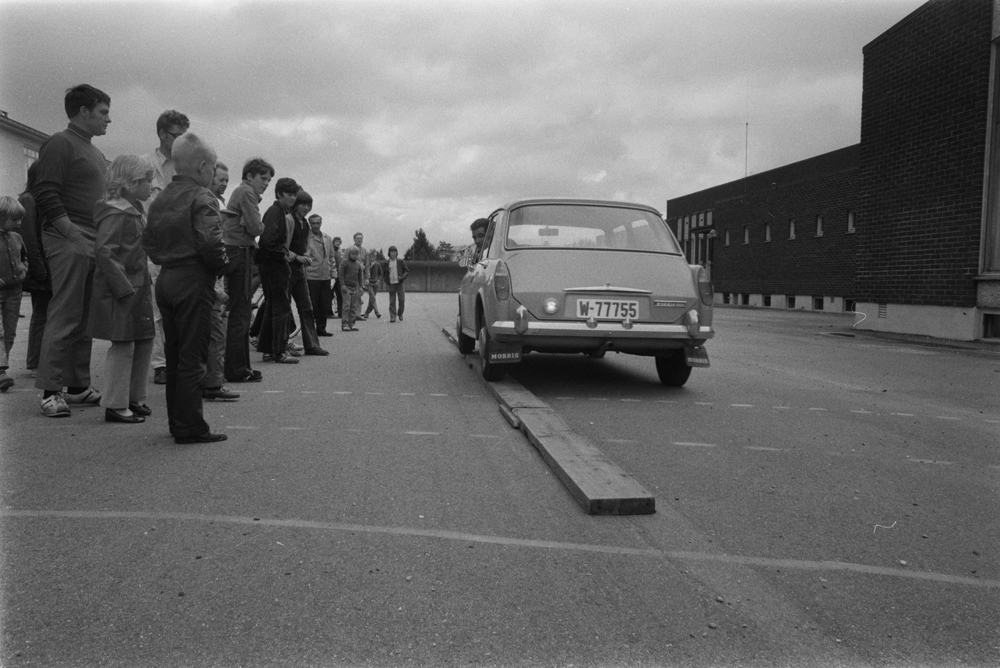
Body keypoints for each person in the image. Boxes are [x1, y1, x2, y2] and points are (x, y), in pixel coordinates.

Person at [142, 132, 230, 444]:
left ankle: (177, 421)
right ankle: (191, 426)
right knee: (194, 357)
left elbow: (148, 240)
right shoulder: (203, 197)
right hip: (193, 279)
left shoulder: (161, 197)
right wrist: (222, 266)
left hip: (166, 278)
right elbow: (210, 241)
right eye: (214, 167)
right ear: (203, 166)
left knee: (175, 354)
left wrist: (166, 257)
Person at [32, 84, 111, 418]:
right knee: (64, 312)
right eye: (103, 112)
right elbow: (45, 192)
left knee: (84, 316)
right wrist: (71, 234)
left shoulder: (93, 151)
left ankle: (77, 386)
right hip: (68, 238)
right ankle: (51, 391)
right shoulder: (59, 143)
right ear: (83, 112)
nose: (109, 119)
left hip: (92, 238)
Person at [87, 155, 155, 423]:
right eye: (147, 181)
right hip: (124, 289)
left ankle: (133, 397)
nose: (151, 186)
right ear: (131, 183)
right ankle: (116, 403)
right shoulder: (116, 212)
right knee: (124, 344)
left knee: (143, 340)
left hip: (135, 286)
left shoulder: (132, 209)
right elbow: (105, 251)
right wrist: (123, 287)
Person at [142, 110, 190, 386]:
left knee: (180, 306)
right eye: (176, 136)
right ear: (162, 134)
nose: (181, 142)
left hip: (180, 246)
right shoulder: (144, 164)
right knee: (156, 307)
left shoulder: (186, 166)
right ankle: (161, 364)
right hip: (151, 247)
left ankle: (180, 358)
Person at [223, 157, 272, 383]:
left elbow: (251, 226)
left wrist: (251, 225)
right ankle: (237, 369)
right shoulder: (247, 193)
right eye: (263, 178)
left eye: (269, 181)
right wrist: (256, 225)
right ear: (249, 176)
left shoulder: (242, 192)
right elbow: (256, 227)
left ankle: (241, 367)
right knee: (241, 313)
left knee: (240, 311)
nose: (266, 183)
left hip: (238, 251)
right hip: (240, 252)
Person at [254, 177, 299, 364]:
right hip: (274, 266)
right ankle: (279, 351)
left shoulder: (279, 211)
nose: (293, 198)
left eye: (295, 194)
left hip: (271, 265)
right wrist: (283, 256)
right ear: (280, 194)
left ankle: (267, 350)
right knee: (281, 308)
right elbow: (266, 241)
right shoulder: (275, 212)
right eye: (289, 194)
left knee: (272, 306)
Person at [204, 162, 239, 401]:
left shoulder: (218, 202)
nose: (224, 183)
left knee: (218, 331)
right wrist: (216, 289)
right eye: (220, 179)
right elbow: (208, 248)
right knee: (216, 333)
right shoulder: (206, 203)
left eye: (227, 180)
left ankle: (214, 379)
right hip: (209, 282)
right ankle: (213, 383)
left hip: (217, 278)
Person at [17, 163, 50, 376]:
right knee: (41, 314)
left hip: (43, 265)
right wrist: (39, 269)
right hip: (40, 267)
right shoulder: (28, 200)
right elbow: (29, 239)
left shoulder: (35, 200)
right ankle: (35, 362)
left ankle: (39, 361)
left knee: (45, 313)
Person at [286, 190, 327, 356]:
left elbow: (304, 248)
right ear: (295, 204)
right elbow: (283, 248)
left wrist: (304, 257)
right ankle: (280, 345)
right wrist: (298, 258)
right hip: (287, 269)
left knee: (307, 307)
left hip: (299, 271)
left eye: (309, 205)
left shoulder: (305, 224)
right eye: (303, 204)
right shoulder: (289, 221)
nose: (306, 207)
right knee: (282, 308)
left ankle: (311, 345)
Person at [0, 196, 27, 392]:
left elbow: (24, 257)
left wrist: (23, 269)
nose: (19, 223)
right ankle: (1, 372)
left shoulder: (17, 238)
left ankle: (2, 368)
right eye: (15, 219)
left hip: (15, 292)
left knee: (10, 332)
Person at [305, 213, 336, 336]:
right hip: (312, 275)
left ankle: (321, 328)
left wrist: (333, 274)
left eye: (318, 223)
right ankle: (311, 329)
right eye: (313, 223)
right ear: (310, 224)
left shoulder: (327, 238)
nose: (316, 225)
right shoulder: (306, 237)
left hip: (325, 275)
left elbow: (331, 257)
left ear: (321, 223)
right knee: (313, 303)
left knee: (325, 303)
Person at [339, 246, 363, 332]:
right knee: (346, 306)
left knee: (353, 307)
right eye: (352, 254)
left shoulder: (358, 265)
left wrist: (360, 287)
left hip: (354, 288)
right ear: (349, 254)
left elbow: (360, 276)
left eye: (356, 254)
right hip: (346, 288)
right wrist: (342, 285)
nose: (354, 255)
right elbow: (341, 275)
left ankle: (352, 323)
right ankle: (344, 324)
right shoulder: (344, 263)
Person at [383, 245, 408, 323]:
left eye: (394, 252)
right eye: (391, 252)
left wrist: (402, 277)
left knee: (402, 300)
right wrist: (387, 281)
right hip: (391, 284)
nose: (393, 254)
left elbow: (406, 271)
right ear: (389, 253)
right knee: (392, 301)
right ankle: (392, 316)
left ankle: (400, 313)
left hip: (400, 283)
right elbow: (384, 273)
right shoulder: (387, 263)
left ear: (396, 253)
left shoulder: (400, 261)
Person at [349, 232, 369, 320]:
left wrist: (367, 277)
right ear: (354, 239)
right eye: (357, 238)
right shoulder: (350, 249)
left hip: (361, 276)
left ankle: (357, 314)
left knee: (359, 294)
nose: (359, 240)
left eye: (361, 238)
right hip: (351, 275)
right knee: (351, 295)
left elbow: (367, 265)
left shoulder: (365, 251)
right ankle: (351, 314)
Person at [363, 251, 383, 319]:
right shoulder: (367, 265)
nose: (372, 259)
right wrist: (370, 267)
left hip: (375, 283)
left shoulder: (378, 264)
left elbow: (380, 273)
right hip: (369, 283)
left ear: (375, 258)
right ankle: (377, 312)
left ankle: (366, 313)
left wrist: (378, 280)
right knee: (373, 297)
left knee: (371, 299)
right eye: (370, 257)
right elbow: (365, 273)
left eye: (373, 257)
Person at [331, 235, 344, 318]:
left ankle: (341, 312)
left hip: (338, 274)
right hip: (331, 274)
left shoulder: (340, 252)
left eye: (339, 242)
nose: (338, 243)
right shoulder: (330, 250)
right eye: (336, 241)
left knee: (340, 294)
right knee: (330, 294)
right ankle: (329, 312)